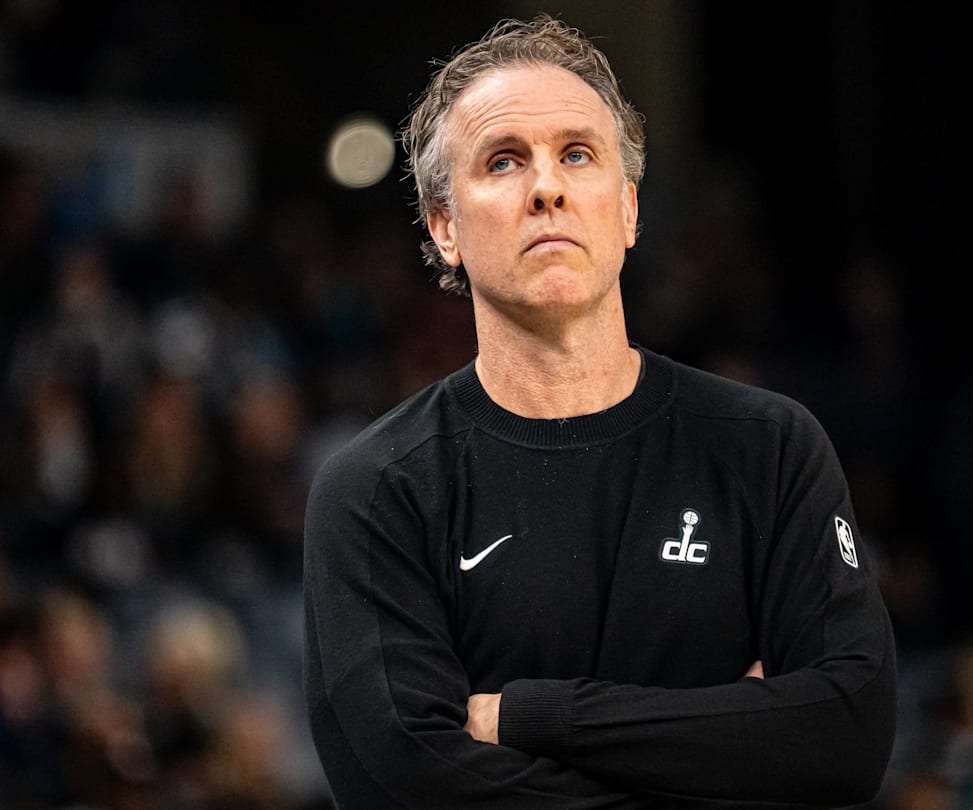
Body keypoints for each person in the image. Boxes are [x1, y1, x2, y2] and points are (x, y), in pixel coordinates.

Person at [302, 14, 897, 808]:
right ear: (444, 226)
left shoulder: (770, 448)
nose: (546, 186)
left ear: (627, 209)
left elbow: (846, 733)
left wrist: (532, 716)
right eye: (504, 161)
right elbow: (406, 784)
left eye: (576, 155)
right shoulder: (377, 488)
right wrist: (731, 744)